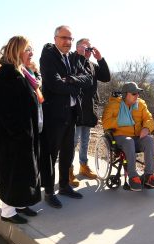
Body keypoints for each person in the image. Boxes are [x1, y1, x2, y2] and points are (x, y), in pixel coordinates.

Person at [39, 25, 92, 208]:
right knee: (51, 155)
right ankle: (48, 191)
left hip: (71, 113)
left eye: (70, 39)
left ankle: (64, 186)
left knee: (68, 153)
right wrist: (74, 84)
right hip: (54, 115)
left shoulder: (73, 57)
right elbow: (53, 85)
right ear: (55, 38)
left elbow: (88, 79)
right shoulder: (48, 56)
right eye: (64, 38)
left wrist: (69, 79)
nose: (67, 42)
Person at [0, 36, 41, 224]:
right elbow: (3, 110)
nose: (31, 52)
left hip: (24, 134)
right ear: (18, 50)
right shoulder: (7, 74)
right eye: (28, 49)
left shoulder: (20, 71)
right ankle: (8, 211)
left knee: (24, 172)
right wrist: (17, 134)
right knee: (12, 172)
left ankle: (20, 203)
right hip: (13, 137)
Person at [102, 82, 154, 191]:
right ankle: (133, 176)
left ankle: (148, 175)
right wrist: (122, 121)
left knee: (149, 140)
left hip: (137, 138)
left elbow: (149, 119)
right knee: (129, 141)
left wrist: (146, 128)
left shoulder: (141, 104)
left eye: (138, 93)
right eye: (134, 94)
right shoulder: (114, 105)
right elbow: (105, 123)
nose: (137, 96)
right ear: (125, 94)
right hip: (120, 137)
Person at [70, 38, 111, 185]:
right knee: (73, 141)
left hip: (89, 108)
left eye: (89, 48)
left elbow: (106, 77)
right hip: (76, 108)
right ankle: (69, 170)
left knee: (86, 140)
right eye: (84, 47)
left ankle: (83, 166)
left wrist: (100, 58)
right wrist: (80, 55)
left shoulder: (92, 65)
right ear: (78, 48)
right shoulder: (72, 60)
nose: (88, 50)